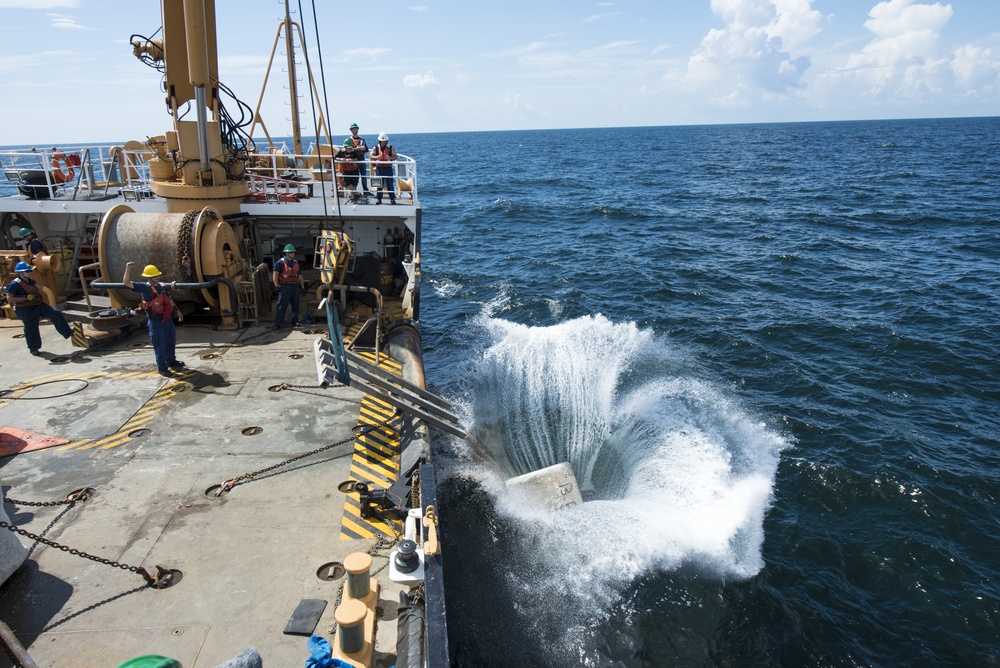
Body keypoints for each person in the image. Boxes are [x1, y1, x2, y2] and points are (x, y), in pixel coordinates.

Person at [123, 262, 185, 377]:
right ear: (148, 277)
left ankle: (171, 361)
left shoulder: (162, 286)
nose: (157, 278)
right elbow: (126, 283)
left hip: (166, 318)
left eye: (157, 275)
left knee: (170, 340)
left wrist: (178, 311)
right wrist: (128, 269)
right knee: (159, 343)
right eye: (154, 276)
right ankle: (162, 367)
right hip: (155, 321)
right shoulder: (145, 288)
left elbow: (169, 300)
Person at [5, 261, 72, 356]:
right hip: (25, 309)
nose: (30, 272)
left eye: (30, 271)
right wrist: (25, 298)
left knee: (55, 313)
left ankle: (67, 332)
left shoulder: (31, 281)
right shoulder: (14, 284)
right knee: (31, 328)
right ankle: (34, 348)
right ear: (20, 273)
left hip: (37, 305)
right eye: (27, 271)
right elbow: (10, 298)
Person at [272, 244, 305, 330]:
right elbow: (275, 274)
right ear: (286, 253)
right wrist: (276, 286)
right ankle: (278, 323)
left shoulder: (296, 263)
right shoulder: (280, 263)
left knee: (295, 304)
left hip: (295, 286)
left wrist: (303, 287)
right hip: (284, 286)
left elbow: (300, 276)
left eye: (293, 253)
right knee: (282, 305)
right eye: (291, 253)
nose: (293, 254)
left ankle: (295, 320)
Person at [370, 133, 397, 205]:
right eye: (382, 141)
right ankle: (379, 199)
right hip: (379, 168)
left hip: (388, 168)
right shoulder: (375, 148)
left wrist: (390, 158)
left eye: (384, 141)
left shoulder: (390, 148)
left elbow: (395, 157)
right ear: (379, 141)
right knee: (379, 184)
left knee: (390, 184)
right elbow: (371, 156)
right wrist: (377, 157)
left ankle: (392, 199)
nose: (383, 142)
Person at [344, 122, 369, 194]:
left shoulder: (362, 139)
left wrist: (363, 148)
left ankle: (365, 190)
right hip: (353, 160)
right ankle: (354, 191)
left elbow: (367, 149)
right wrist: (356, 149)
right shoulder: (349, 140)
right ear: (351, 130)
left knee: (364, 175)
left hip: (361, 159)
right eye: (354, 129)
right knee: (355, 176)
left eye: (356, 129)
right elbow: (347, 149)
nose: (355, 130)